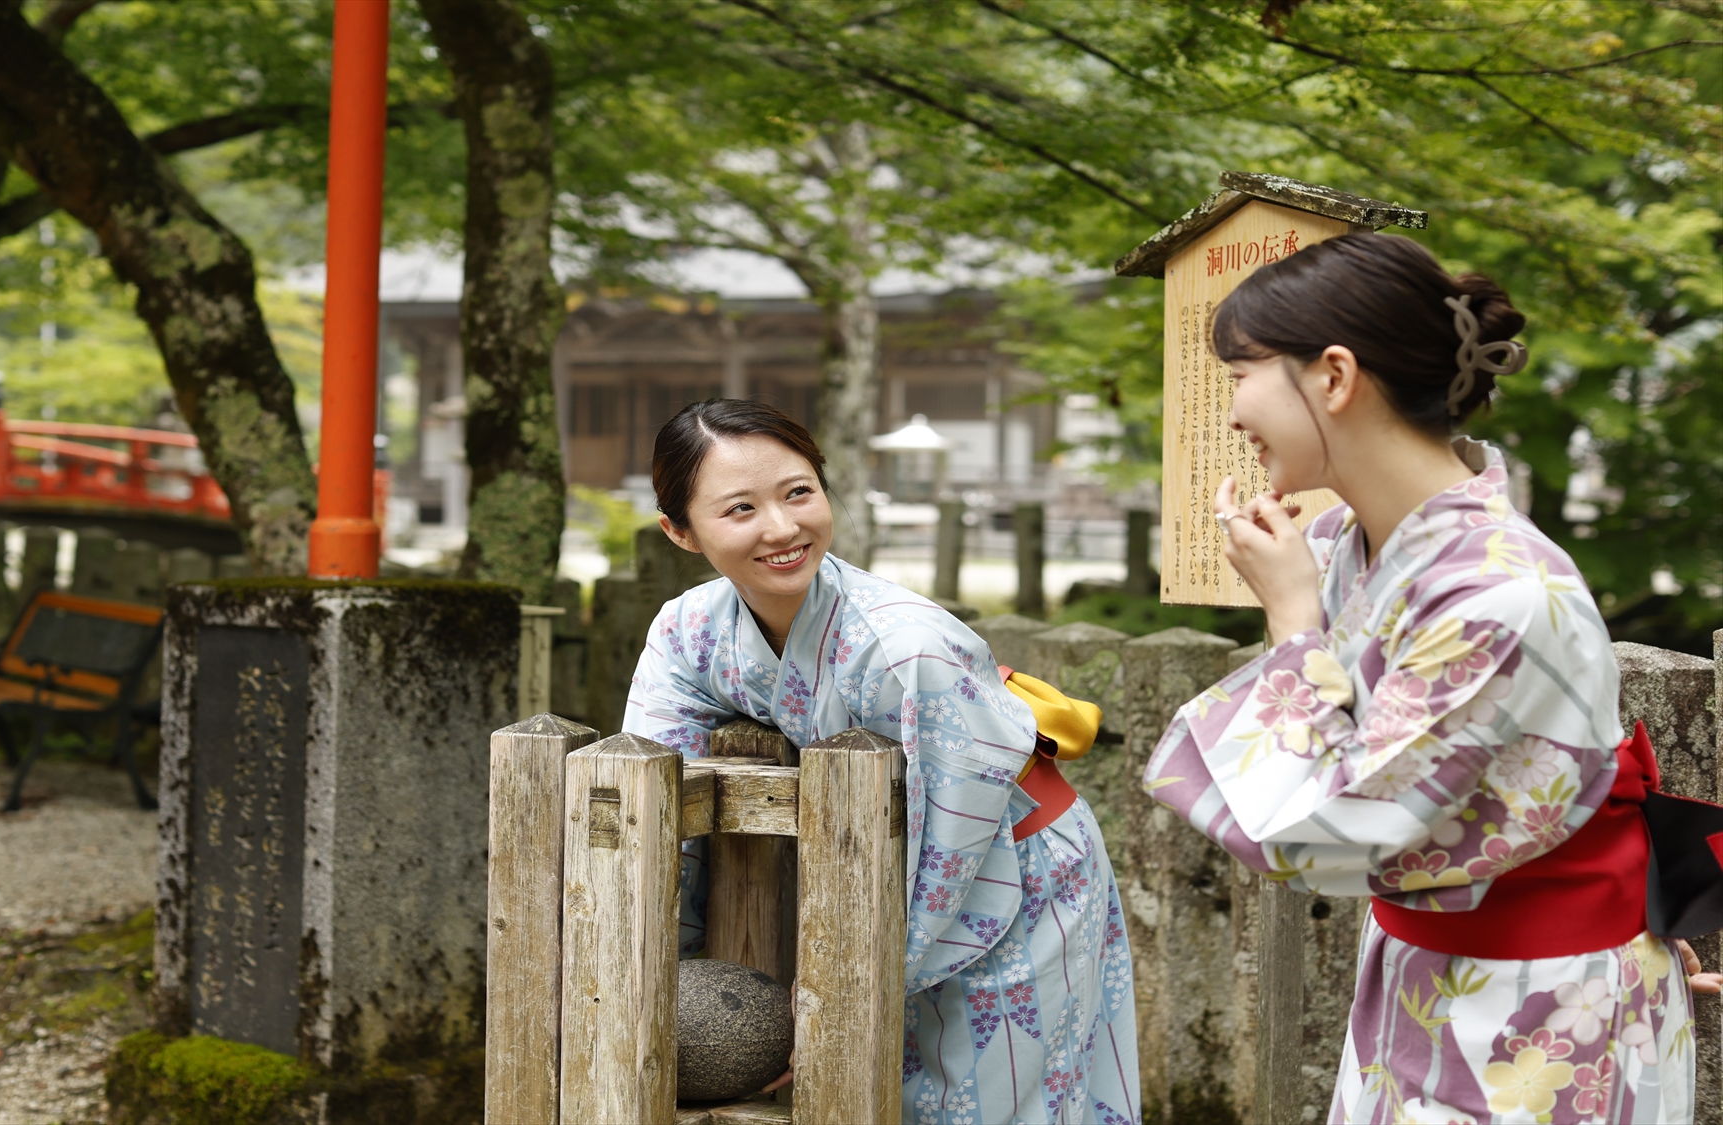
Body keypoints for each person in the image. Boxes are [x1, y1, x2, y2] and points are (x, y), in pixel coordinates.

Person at [1144, 232, 1720, 1124]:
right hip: (1433, 965)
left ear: (1333, 376)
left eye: (1240, 377)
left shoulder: (1498, 590)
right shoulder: (1345, 545)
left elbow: (1323, 828)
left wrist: (1294, 624)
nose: (1230, 415)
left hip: (1536, 990)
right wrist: (1299, 601)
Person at [626, 399, 1141, 1124]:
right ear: (680, 531)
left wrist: (844, 992)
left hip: (1007, 868)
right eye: (740, 509)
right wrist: (658, 970)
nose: (782, 527)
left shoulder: (906, 647)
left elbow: (953, 839)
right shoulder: (687, 632)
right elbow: (662, 799)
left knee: (993, 1103)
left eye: (798, 492)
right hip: (878, 878)